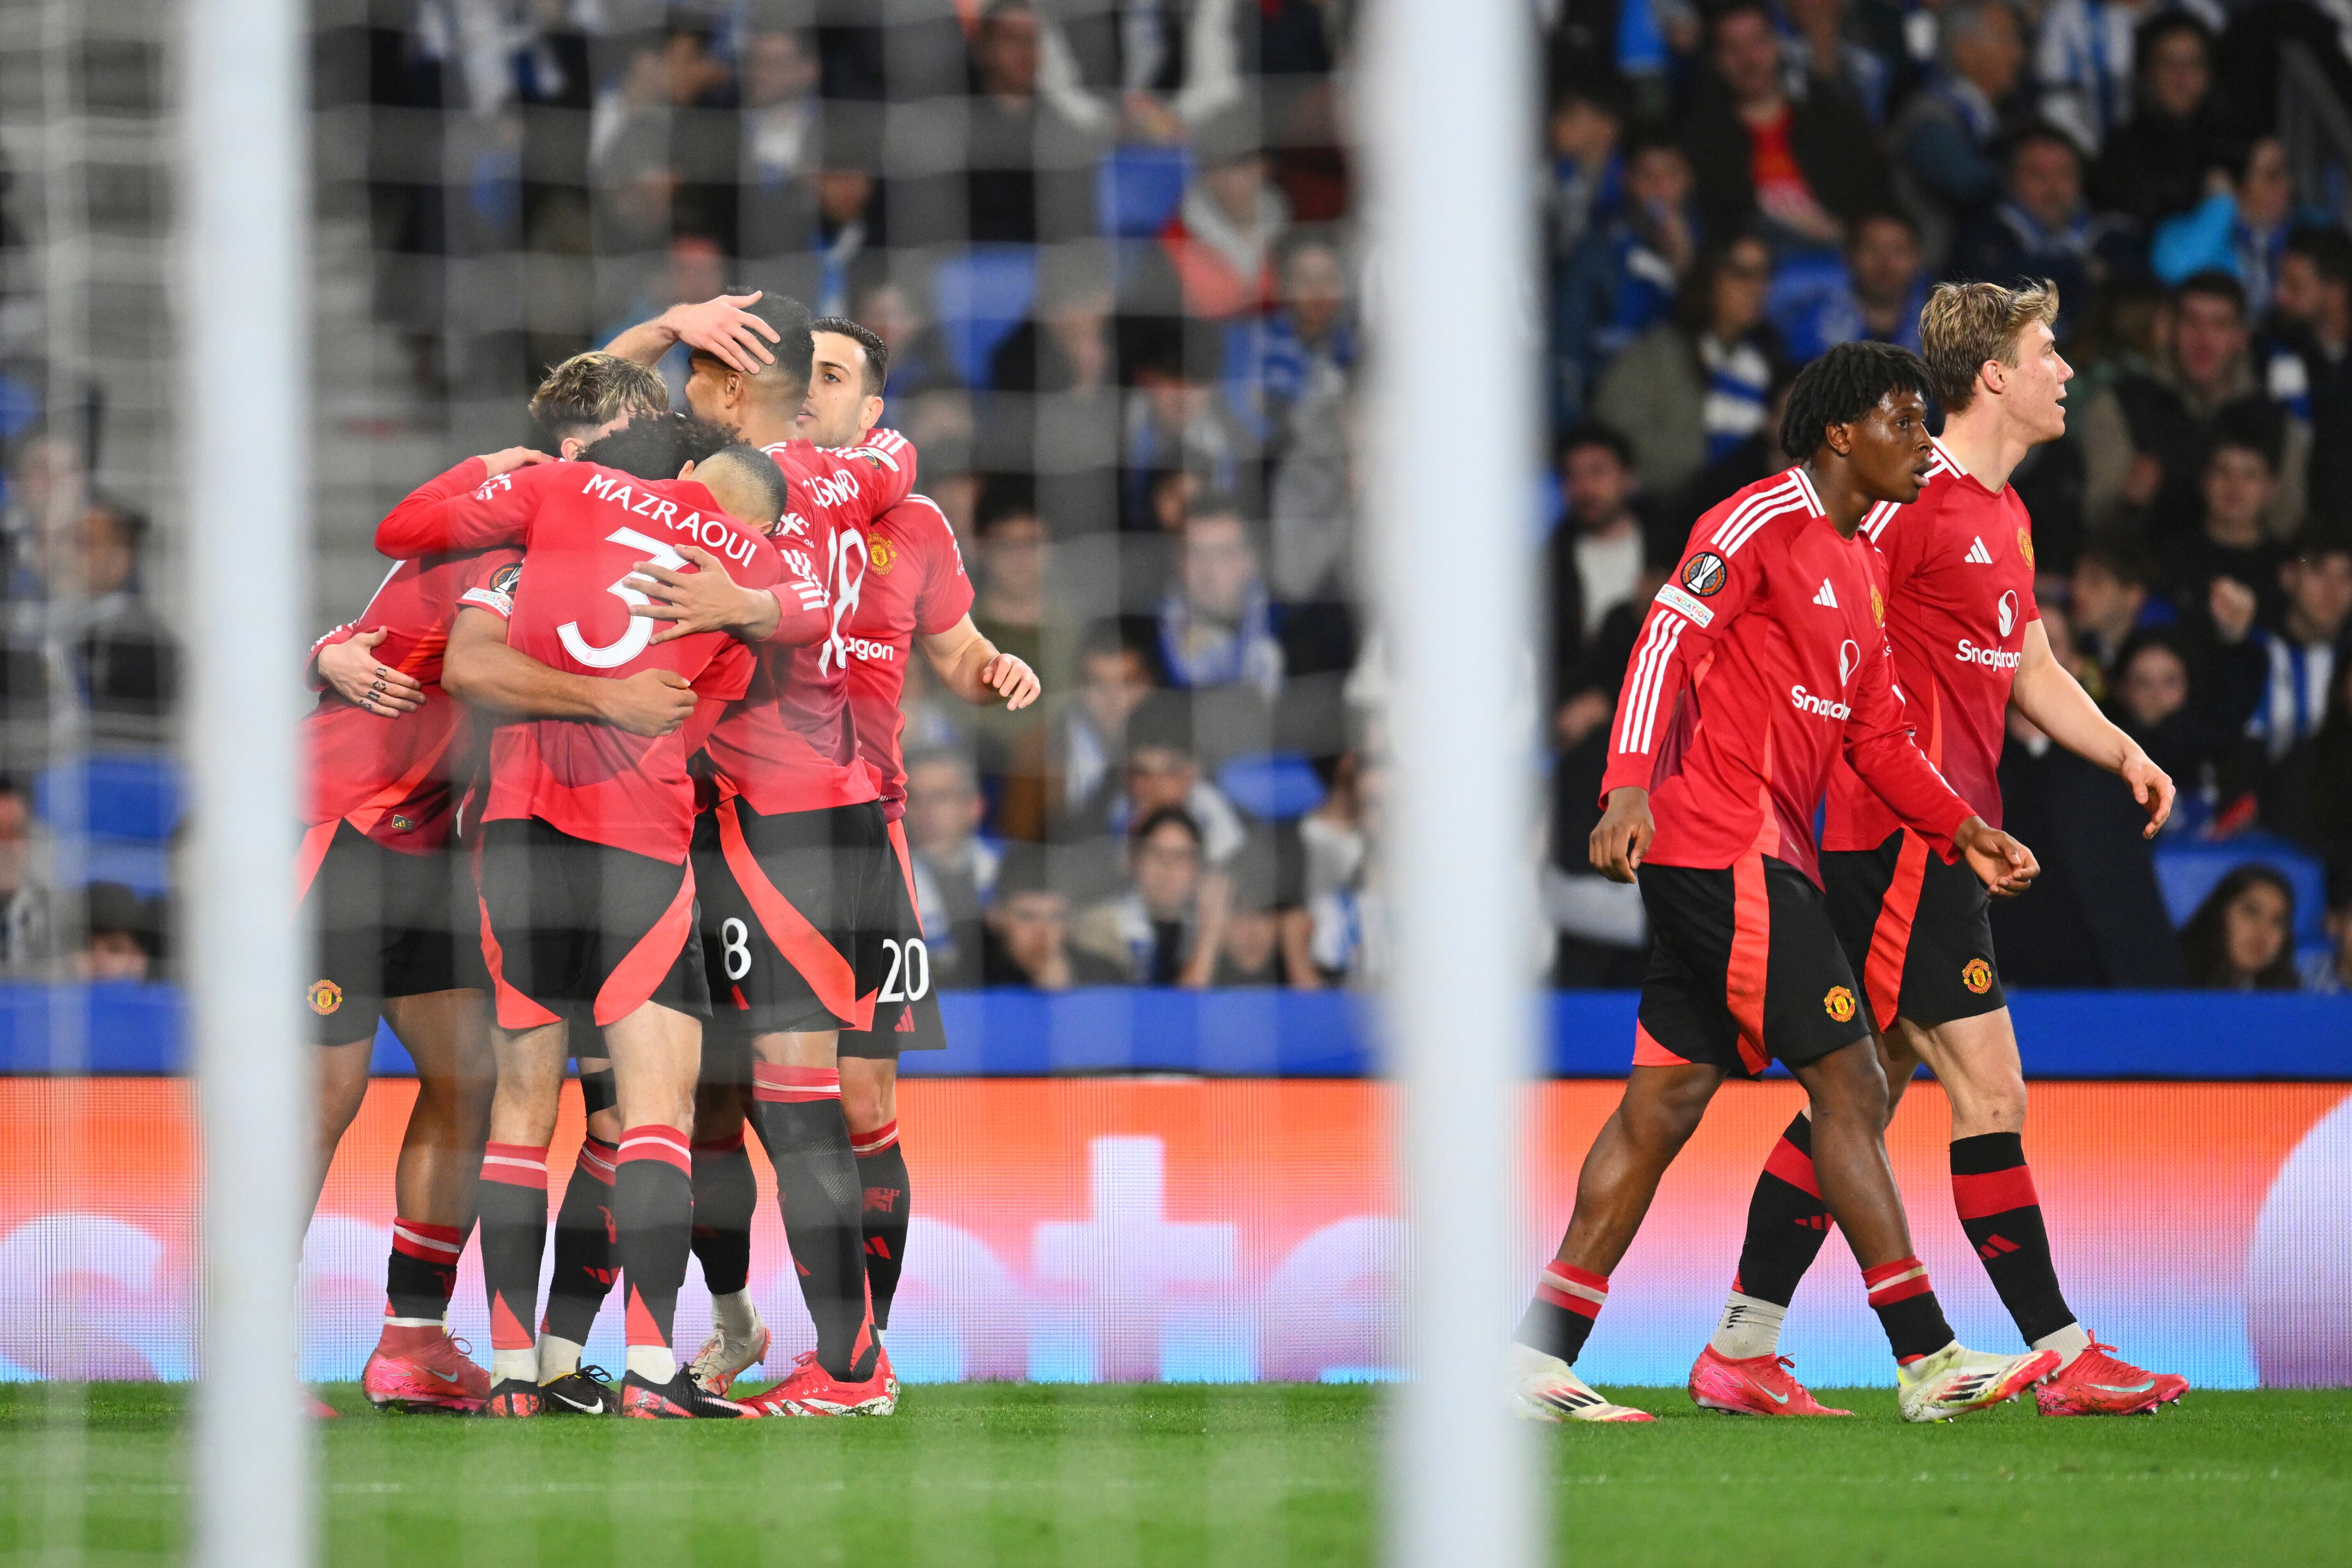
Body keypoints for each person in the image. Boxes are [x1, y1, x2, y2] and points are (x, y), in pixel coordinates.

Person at [1511, 342, 2052, 1425]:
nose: (1922, 441)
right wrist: (1625, 786)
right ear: (1841, 432)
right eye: (1905, 420)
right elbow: (1664, 637)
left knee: (1661, 1104)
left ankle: (1533, 1355)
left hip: (1748, 856)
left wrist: (1967, 827)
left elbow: (1882, 739)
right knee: (1853, 1082)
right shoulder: (1758, 518)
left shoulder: (1861, 570)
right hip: (1722, 844)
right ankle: (1926, 1355)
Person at [1699, 282, 2188, 1422]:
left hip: (1941, 845)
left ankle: (1740, 1344)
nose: (2065, 370)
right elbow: (1797, 596)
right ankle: (2059, 1356)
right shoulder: (1903, 509)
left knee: (1858, 1094)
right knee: (1988, 1088)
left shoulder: (2004, 517)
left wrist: (2123, 752)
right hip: (1897, 843)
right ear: (1995, 379)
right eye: (2047, 351)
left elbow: (2029, 667)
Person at [373, 418, 792, 1420]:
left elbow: (413, 551)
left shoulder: (555, 510)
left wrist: (485, 465)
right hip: (637, 839)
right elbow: (688, 713)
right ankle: (652, 1371)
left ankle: (519, 1375)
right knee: (656, 1114)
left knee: (523, 1109)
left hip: (515, 835)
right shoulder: (745, 575)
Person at [302, 352, 671, 1417]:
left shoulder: (571, 527)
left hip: (430, 849)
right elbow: (448, 639)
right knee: (318, 1102)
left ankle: (411, 1341)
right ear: (571, 458)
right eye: (619, 451)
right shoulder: (507, 521)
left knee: (473, 1076)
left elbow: (593, 395)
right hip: (338, 822)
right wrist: (324, 649)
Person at [587, 291, 931, 1417]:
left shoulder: (742, 489)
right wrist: (666, 323)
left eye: (694, 373)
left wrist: (746, 605)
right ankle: (800, 1345)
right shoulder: (842, 471)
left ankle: (848, 1366)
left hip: (778, 824)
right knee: (745, 1104)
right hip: (796, 816)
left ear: (733, 389)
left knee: (792, 1101)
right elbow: (580, 420)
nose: (681, 393)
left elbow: (789, 592)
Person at [784, 313, 1039, 1345]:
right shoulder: (744, 501)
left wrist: (996, 670)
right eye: (799, 370)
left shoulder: (917, 524)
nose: (811, 387)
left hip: (866, 836)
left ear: (870, 409)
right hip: (744, 827)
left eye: (833, 374)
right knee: (728, 1101)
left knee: (863, 1096)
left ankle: (860, 1346)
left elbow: (958, 649)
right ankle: (722, 1325)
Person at [1679, 0, 1889, 251]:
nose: (1749, 59)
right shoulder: (1706, 142)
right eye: (1733, 48)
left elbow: (1870, 197)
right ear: (1717, 60)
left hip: (1841, 259)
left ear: (1777, 44)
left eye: (1758, 41)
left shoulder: (1828, 122)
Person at [1595, 234, 1781, 497]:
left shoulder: (1770, 358)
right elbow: (1612, 432)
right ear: (1709, 278)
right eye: (1742, 274)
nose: (1758, 288)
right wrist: (1689, 464)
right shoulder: (1660, 353)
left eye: (1765, 275)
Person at [1072, 805, 1215, 986]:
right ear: (1135, 862)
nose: (1169, 869)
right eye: (1157, 855)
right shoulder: (1096, 928)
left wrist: (1210, 932)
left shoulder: (1208, 928)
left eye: (1181, 857)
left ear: (1198, 868)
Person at [1777, 210, 1928, 365]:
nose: (1885, 263)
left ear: (1918, 258)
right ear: (1849, 257)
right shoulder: (1814, 323)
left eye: (1897, 250)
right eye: (1871, 249)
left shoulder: (1939, 328)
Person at [980, 843, 1125, 988]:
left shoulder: (1106, 979)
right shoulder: (972, 980)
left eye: (1056, 917)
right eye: (1027, 917)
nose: (1044, 932)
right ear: (996, 915)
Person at [2178, 864, 2299, 989]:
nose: (2263, 931)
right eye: (2251, 912)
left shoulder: (2289, 994)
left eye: (2277, 921)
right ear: (2219, 914)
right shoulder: (2169, 977)